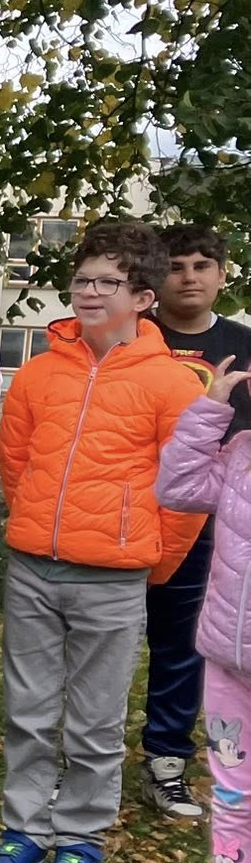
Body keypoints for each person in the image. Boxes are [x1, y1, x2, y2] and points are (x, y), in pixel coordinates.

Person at [0, 221, 204, 863]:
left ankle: (80, 841)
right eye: (82, 279)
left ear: (144, 297)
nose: (90, 292)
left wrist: (150, 562)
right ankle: (24, 832)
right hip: (34, 570)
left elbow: (185, 492)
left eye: (109, 282)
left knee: (96, 721)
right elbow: (15, 461)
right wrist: (35, 524)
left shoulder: (172, 384)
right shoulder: (40, 372)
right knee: (28, 711)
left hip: (115, 577)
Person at [140, 224, 251, 819]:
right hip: (120, 517)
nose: (188, 277)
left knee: (182, 647)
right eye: (175, 265)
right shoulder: (132, 334)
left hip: (204, 527)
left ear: (222, 274)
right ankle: (81, 763)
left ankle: (166, 762)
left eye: (201, 265)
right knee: (97, 649)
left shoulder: (243, 345)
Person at [154, 354, 251, 863]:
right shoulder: (240, 453)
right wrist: (210, 410)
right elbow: (177, 488)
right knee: (234, 796)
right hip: (227, 656)